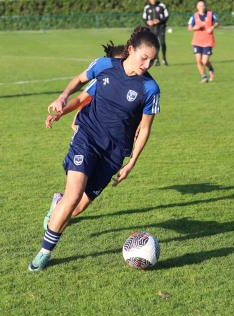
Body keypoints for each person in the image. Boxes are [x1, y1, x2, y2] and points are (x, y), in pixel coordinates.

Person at [29, 27, 161, 271]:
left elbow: (144, 129)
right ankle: (44, 253)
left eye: (152, 61)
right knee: (73, 197)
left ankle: (57, 204)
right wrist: (62, 99)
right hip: (87, 137)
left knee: (76, 209)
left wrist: (131, 163)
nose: (147, 64)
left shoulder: (150, 89)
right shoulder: (104, 66)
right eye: (144, 57)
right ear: (131, 50)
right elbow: (80, 82)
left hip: (114, 154)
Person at [45, 41, 126, 132]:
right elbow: (80, 99)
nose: (119, 68)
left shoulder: (138, 83)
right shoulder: (104, 81)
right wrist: (59, 113)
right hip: (94, 130)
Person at [187, 1, 219, 83]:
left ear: (205, 6)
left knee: (204, 61)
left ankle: (211, 69)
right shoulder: (194, 16)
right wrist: (195, 27)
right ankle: (204, 77)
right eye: (200, 5)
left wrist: (212, 27)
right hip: (197, 41)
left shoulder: (211, 14)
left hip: (208, 41)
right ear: (197, 7)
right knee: (198, 61)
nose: (202, 7)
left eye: (203, 5)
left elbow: (217, 23)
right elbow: (189, 28)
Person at [142, 0, 169, 66]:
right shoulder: (147, 7)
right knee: (154, 45)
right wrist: (148, 22)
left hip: (161, 28)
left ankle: (164, 59)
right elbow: (144, 18)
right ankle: (156, 59)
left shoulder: (162, 5)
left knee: (162, 43)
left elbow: (166, 16)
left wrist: (159, 21)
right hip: (152, 29)